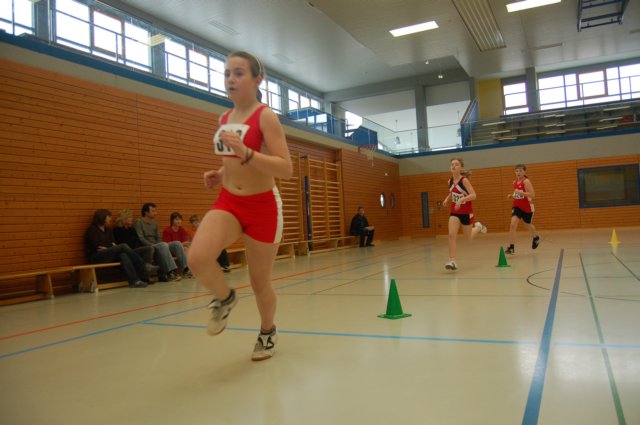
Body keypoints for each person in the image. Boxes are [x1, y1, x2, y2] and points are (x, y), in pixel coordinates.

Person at [188, 51, 292, 361]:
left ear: (257, 80)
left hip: (262, 207)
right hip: (229, 202)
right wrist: (219, 174)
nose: (230, 79)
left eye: (239, 73)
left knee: (260, 282)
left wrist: (247, 152)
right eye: (227, 74)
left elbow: (285, 168)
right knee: (197, 257)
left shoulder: (265, 117)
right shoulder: (223, 119)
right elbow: (232, 161)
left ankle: (267, 331)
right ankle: (225, 298)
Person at [83, 209, 153, 288]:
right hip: (96, 256)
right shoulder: (92, 229)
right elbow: (97, 245)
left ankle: (134, 281)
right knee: (123, 246)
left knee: (123, 255)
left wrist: (108, 246)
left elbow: (113, 243)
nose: (110, 219)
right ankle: (143, 265)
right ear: (102, 217)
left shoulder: (108, 230)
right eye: (108, 217)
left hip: (108, 254)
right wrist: (110, 246)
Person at [441, 157, 487, 271]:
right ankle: (452, 261)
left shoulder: (464, 180)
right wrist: (447, 199)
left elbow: (473, 195)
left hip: (466, 212)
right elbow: (452, 192)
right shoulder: (450, 181)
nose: (453, 166)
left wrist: (461, 200)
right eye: (452, 164)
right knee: (451, 235)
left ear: (461, 167)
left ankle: (478, 227)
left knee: (468, 237)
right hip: (455, 212)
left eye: (456, 164)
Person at [134, 203, 190, 281]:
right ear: (146, 212)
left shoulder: (154, 223)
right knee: (163, 245)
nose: (155, 213)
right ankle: (171, 272)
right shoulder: (138, 222)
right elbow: (141, 238)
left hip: (158, 245)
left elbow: (158, 237)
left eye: (155, 211)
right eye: (153, 211)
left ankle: (186, 270)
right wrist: (153, 245)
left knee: (177, 243)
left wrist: (158, 244)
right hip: (147, 246)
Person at [505, 164, 540, 254]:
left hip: (527, 207)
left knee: (527, 224)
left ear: (524, 172)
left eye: (520, 171)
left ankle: (536, 237)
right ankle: (511, 247)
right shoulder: (514, 182)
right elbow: (517, 194)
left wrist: (521, 193)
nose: (518, 172)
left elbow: (532, 195)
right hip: (517, 206)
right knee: (512, 224)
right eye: (517, 171)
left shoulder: (526, 181)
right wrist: (512, 196)